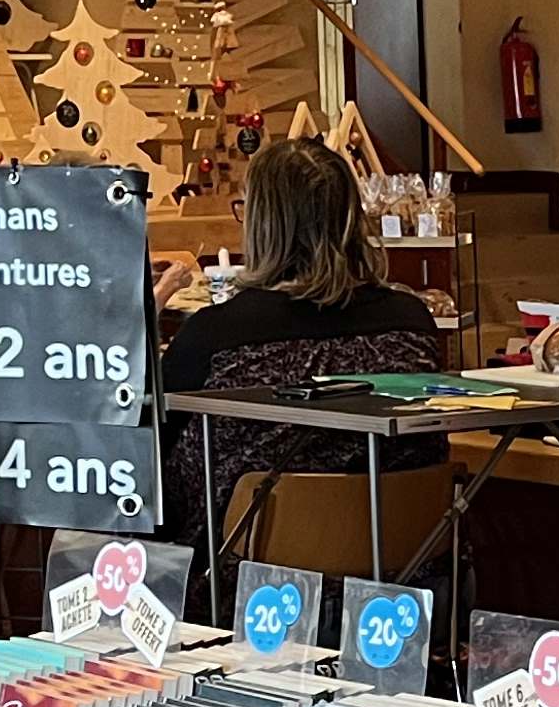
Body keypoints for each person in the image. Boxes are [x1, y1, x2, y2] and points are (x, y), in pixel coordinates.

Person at [155, 137, 447, 552]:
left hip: (240, 579)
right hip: (401, 572)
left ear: (261, 225)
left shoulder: (213, 336)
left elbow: (149, 462)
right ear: (350, 219)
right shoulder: (412, 323)